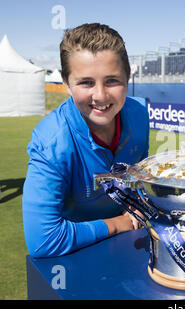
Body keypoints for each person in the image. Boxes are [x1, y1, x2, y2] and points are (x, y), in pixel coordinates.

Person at [22, 23, 148, 258]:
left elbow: (136, 178)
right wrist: (117, 224)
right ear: (66, 83)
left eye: (112, 80)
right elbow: (43, 240)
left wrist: (136, 203)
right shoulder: (51, 141)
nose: (100, 95)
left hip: (130, 247)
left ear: (128, 77)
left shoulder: (140, 114)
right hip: (76, 255)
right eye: (86, 82)